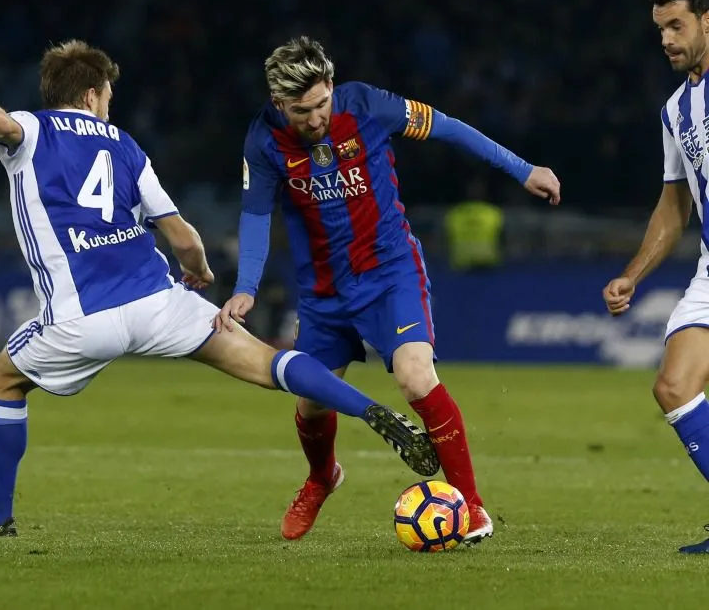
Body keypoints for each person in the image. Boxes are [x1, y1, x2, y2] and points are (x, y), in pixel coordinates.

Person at [0, 41, 438, 538]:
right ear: (92, 94)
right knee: (268, 362)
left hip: (83, 315)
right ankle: (368, 408)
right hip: (159, 303)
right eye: (108, 96)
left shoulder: (34, 128)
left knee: (4, 377)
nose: (109, 106)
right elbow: (182, 236)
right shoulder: (126, 147)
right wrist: (200, 271)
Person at [217, 36, 561, 544]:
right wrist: (246, 286)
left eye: (320, 104)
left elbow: (447, 127)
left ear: (331, 85)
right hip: (323, 291)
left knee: (416, 377)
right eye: (299, 111)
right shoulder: (263, 139)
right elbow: (254, 213)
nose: (313, 119)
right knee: (311, 401)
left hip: (388, 271)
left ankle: (471, 506)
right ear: (277, 103)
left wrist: (522, 169)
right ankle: (321, 478)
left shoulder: (367, 105)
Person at [604, 0, 709, 555]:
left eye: (676, 25)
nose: (666, 39)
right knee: (674, 386)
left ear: (707, 20)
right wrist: (633, 274)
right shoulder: (675, 111)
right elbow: (674, 206)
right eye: (660, 29)